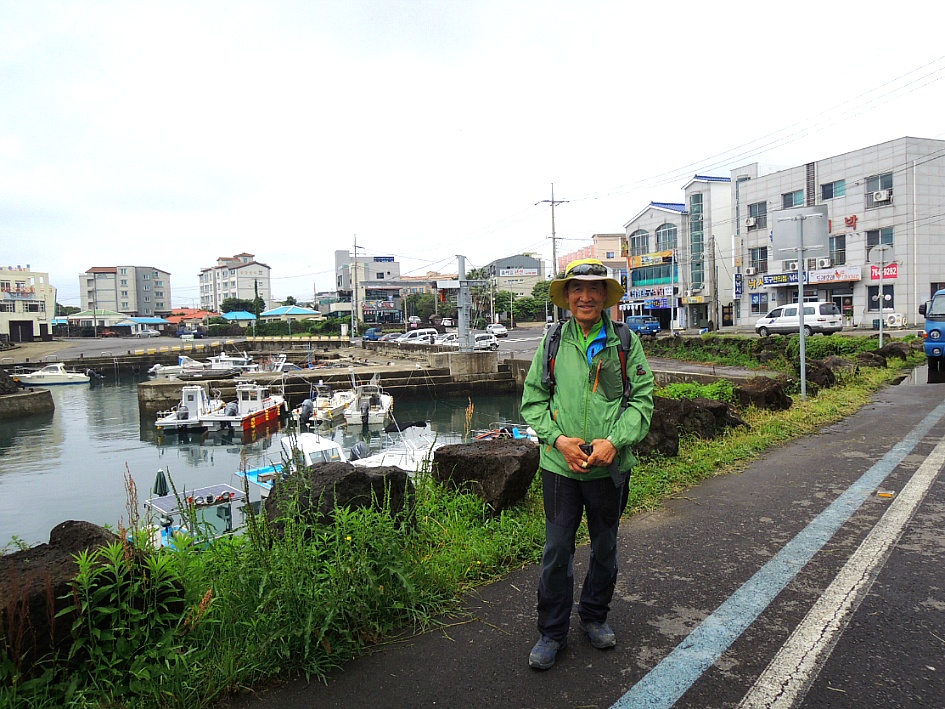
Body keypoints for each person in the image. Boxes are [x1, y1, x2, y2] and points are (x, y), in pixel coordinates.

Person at [520, 258, 654, 670]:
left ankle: (595, 616)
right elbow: (533, 401)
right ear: (566, 296)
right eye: (577, 288)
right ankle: (552, 631)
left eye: (594, 289)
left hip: (608, 468)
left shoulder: (625, 342)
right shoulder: (553, 342)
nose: (586, 296)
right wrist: (559, 441)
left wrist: (615, 442)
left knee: (605, 546)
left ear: (605, 296)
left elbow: (642, 400)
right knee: (557, 549)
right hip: (560, 468)